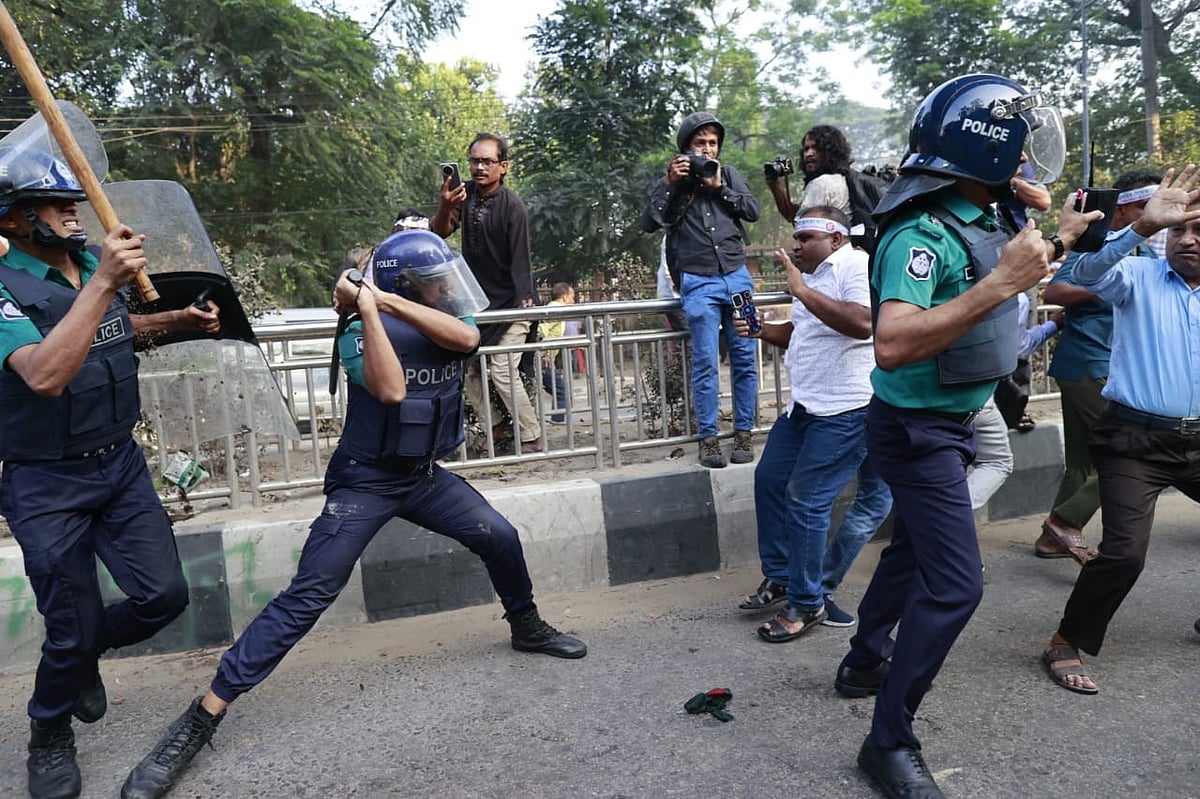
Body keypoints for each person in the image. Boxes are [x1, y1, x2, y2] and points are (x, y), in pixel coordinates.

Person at [119, 230, 587, 799]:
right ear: (408, 283)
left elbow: (467, 338)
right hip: (365, 483)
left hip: (422, 479)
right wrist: (366, 310)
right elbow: (390, 390)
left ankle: (526, 625)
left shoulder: (423, 315)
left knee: (499, 534)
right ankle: (202, 716)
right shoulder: (356, 334)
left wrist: (377, 297)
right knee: (309, 593)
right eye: (435, 280)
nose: (446, 288)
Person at [829, 74, 1091, 798]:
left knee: (915, 550)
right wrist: (1001, 285)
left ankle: (861, 661)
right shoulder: (921, 230)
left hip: (954, 419)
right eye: (1021, 149)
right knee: (955, 585)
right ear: (991, 150)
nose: (1031, 163)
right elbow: (893, 341)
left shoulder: (982, 212)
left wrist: (1077, 233)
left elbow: (1023, 261)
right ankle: (887, 739)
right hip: (919, 429)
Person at [0, 147, 221, 799]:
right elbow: (43, 372)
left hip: (119, 465)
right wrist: (103, 286)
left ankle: (84, 652)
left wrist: (180, 321)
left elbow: (114, 329)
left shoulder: (92, 264)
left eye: (74, 201)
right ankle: (48, 731)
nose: (73, 213)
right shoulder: (3, 285)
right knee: (70, 625)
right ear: (12, 220)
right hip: (45, 482)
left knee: (163, 597)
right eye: (56, 203)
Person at [1040, 165, 1200, 696]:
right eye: (1179, 230)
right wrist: (1141, 230)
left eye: (1198, 230)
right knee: (1126, 551)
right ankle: (1067, 639)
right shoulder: (1137, 276)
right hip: (1136, 441)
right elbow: (1080, 274)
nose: (1188, 240)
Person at [733, 207, 892, 639]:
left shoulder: (856, 264)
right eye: (796, 237)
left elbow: (862, 324)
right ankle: (784, 576)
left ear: (836, 239)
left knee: (807, 501)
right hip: (804, 406)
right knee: (769, 480)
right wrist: (763, 329)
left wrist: (800, 290)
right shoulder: (815, 276)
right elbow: (805, 331)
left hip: (846, 409)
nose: (796, 245)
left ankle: (807, 605)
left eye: (806, 237)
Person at [1035, 169, 1161, 565]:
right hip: (1091, 366)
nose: (1154, 214)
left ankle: (1052, 539)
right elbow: (1054, 290)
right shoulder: (1100, 245)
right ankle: (1065, 521)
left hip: (1096, 365)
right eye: (1146, 207)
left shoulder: (1145, 250)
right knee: (1129, 453)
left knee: (1083, 461)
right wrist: (1106, 283)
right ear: (1123, 209)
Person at [641, 111, 761, 468]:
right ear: (685, 150)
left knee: (746, 358)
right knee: (705, 361)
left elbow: (752, 210)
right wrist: (669, 182)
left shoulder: (730, 175)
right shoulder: (673, 183)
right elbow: (650, 221)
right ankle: (708, 439)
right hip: (698, 281)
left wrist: (720, 188)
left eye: (712, 143)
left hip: (739, 277)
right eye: (700, 144)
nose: (707, 150)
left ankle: (744, 432)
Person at [431, 133, 543, 454]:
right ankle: (497, 428)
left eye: (487, 161)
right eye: (475, 161)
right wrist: (444, 204)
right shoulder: (463, 195)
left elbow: (522, 262)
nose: (480, 167)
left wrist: (524, 311)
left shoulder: (514, 208)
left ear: (503, 166)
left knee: (502, 369)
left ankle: (531, 435)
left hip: (515, 303)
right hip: (478, 304)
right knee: (464, 368)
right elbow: (439, 232)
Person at [765, 124, 853, 225]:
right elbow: (793, 215)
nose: (809, 154)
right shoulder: (842, 179)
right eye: (806, 149)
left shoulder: (822, 184)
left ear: (831, 152)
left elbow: (803, 227)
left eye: (816, 148)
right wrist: (775, 186)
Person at [539, 281, 574, 423]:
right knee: (561, 391)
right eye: (572, 297)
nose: (573, 301)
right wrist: (545, 353)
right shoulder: (554, 310)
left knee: (558, 389)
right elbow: (541, 331)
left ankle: (556, 419)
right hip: (543, 359)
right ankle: (557, 421)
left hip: (546, 358)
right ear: (565, 297)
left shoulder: (554, 309)